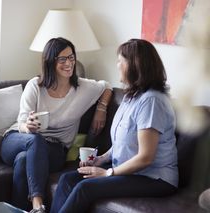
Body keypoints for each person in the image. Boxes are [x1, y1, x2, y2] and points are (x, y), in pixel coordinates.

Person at [50, 38, 179, 213]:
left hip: (154, 178)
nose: (117, 65)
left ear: (134, 65)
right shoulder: (131, 96)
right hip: (129, 172)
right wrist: (101, 159)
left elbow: (145, 157)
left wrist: (108, 173)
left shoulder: (152, 101)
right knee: (67, 180)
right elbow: (123, 142)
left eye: (120, 61)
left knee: (85, 188)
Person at [0, 37, 113, 213]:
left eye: (71, 58)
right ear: (50, 61)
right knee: (35, 140)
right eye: (62, 59)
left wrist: (102, 108)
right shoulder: (36, 86)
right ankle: (38, 205)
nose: (69, 63)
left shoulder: (83, 88)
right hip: (18, 138)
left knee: (23, 161)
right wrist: (27, 127)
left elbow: (107, 86)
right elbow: (22, 122)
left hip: (55, 150)